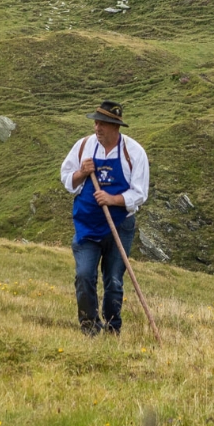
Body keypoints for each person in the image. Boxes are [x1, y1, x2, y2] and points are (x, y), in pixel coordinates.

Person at [59, 100, 149, 336]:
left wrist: (112, 199)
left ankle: (112, 328)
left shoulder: (134, 152)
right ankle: (89, 326)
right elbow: (67, 179)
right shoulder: (84, 147)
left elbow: (140, 194)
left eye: (103, 124)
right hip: (87, 225)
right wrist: (82, 172)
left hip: (120, 225)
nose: (97, 128)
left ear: (116, 126)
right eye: (96, 123)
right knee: (84, 275)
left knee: (114, 281)